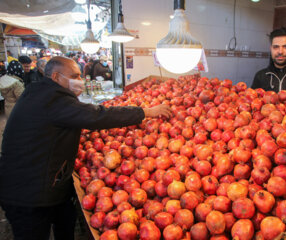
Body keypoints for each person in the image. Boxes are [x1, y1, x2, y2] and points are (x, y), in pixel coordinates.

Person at [0, 56, 172, 240]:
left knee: (65, 218)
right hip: (29, 192)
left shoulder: (39, 92)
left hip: (40, 181)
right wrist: (146, 112)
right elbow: (97, 116)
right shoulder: (52, 100)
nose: (80, 81)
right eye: (75, 76)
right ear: (56, 77)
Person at [0, 60, 25, 151]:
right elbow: (21, 97)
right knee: (19, 126)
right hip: (17, 107)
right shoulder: (16, 83)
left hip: (7, 105)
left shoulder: (3, 79)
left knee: (10, 123)